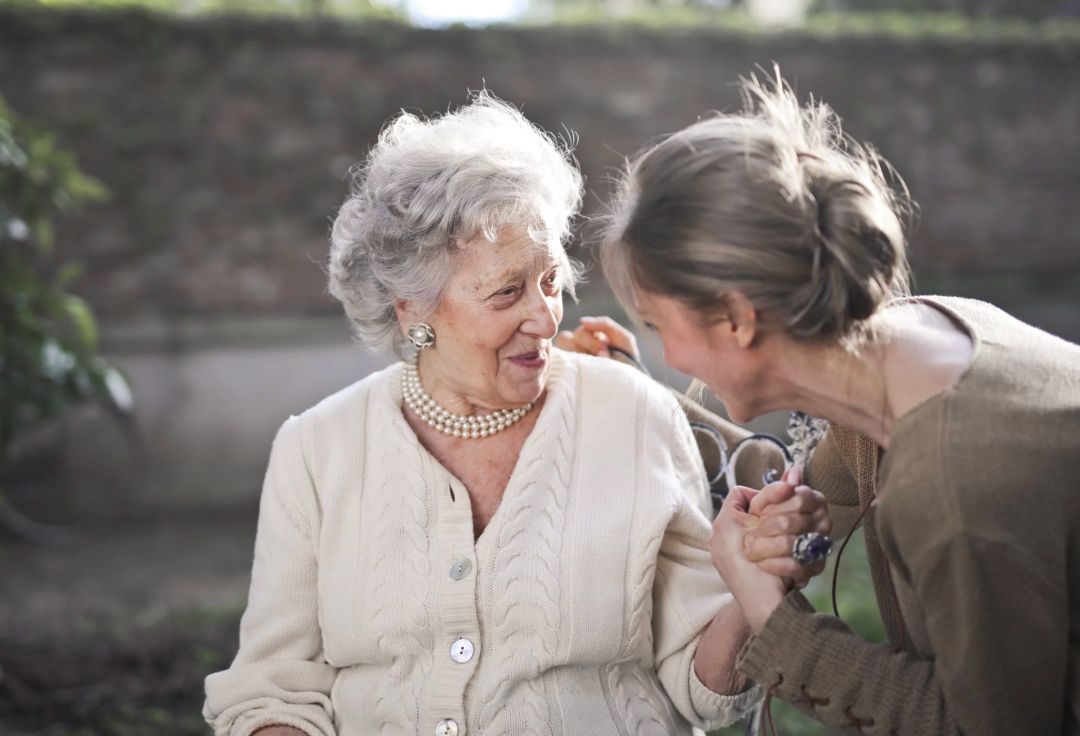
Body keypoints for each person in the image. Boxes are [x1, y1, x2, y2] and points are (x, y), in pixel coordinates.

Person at [202, 92, 830, 736]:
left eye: (551, 281)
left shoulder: (631, 414)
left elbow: (705, 688)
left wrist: (751, 585)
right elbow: (273, 691)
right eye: (507, 292)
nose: (545, 316)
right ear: (411, 307)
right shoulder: (316, 448)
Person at [589, 70, 1080, 734]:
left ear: (735, 319)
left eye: (657, 327)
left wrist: (774, 622)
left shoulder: (954, 486)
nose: (668, 356)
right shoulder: (921, 341)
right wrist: (624, 388)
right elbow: (799, 482)